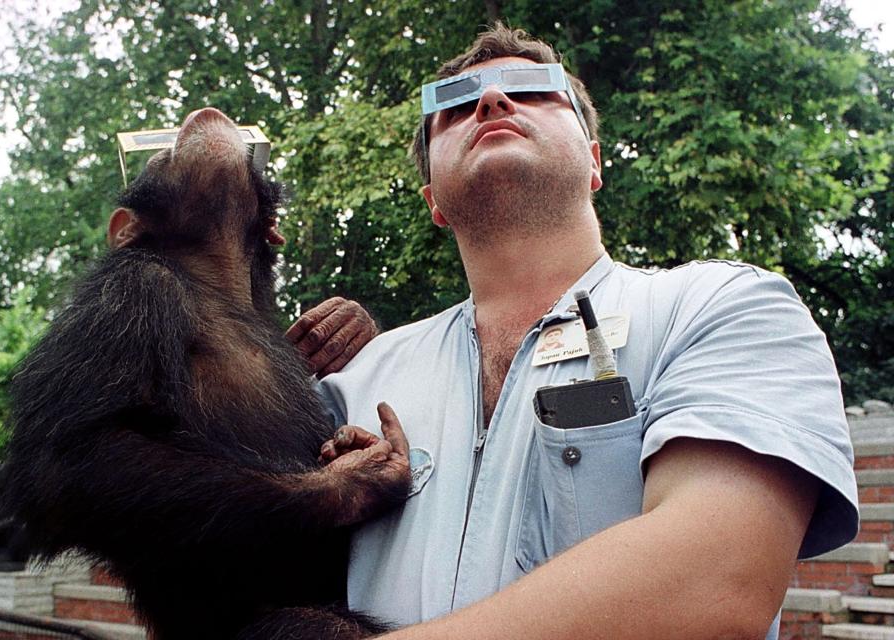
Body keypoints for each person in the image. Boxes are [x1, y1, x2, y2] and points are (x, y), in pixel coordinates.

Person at [301, 23, 858, 640]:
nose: (491, 103)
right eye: (455, 107)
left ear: (594, 162)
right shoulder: (358, 381)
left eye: (533, 90)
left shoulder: (720, 307)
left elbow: (717, 585)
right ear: (433, 199)